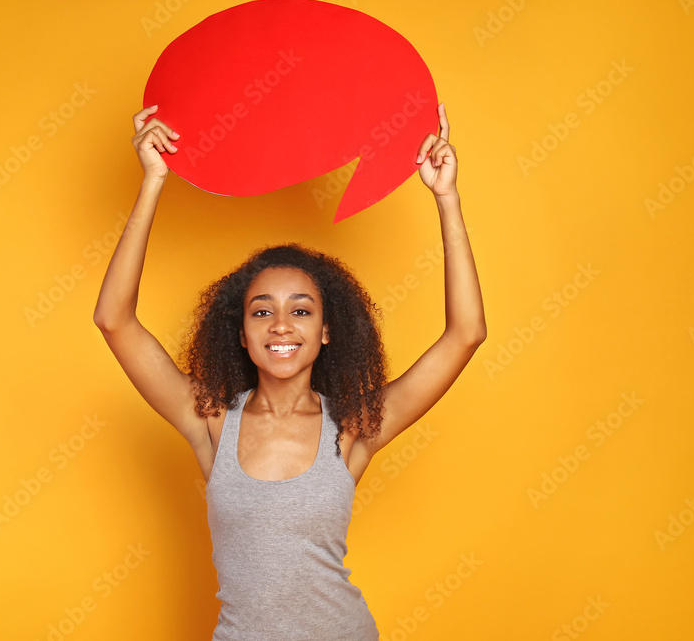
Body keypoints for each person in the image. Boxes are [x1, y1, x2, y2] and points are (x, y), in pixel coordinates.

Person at [93, 102, 486, 640]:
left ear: (326, 331)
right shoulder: (210, 419)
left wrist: (447, 198)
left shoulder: (354, 425)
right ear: (241, 332)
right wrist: (153, 181)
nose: (281, 325)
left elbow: (466, 333)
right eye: (262, 311)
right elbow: (114, 319)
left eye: (301, 310)